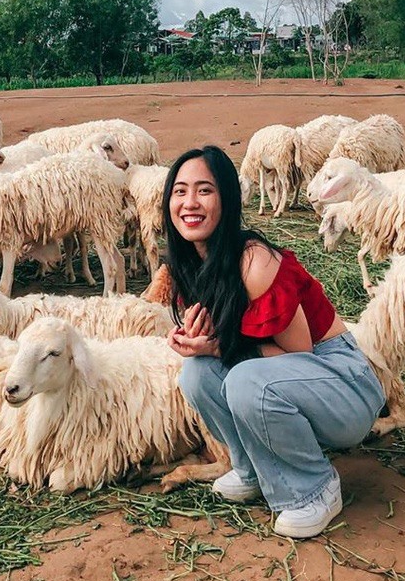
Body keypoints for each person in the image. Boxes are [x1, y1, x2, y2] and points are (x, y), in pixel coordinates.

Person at [163, 145, 386, 539]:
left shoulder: (253, 261)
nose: (189, 203)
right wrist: (197, 342)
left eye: (204, 190)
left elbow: (299, 355)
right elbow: (230, 347)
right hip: (294, 380)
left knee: (246, 380)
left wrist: (219, 346)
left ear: (227, 199)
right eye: (180, 191)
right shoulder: (192, 265)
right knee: (196, 373)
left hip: (342, 383)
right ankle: (251, 468)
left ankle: (314, 488)